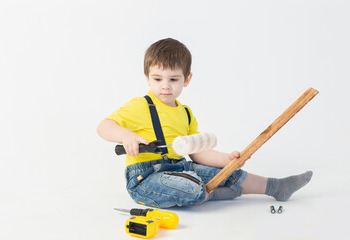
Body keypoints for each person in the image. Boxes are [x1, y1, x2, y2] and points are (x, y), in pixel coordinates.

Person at [97, 38, 312, 208]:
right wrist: (126, 136)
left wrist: (226, 160)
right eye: (157, 79)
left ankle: (276, 187)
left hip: (180, 167)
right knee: (190, 186)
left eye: (173, 79)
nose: (165, 86)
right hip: (145, 179)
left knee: (226, 173)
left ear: (187, 79)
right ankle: (210, 193)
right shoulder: (141, 106)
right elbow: (104, 126)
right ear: (147, 77)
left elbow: (197, 153)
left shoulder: (186, 113)